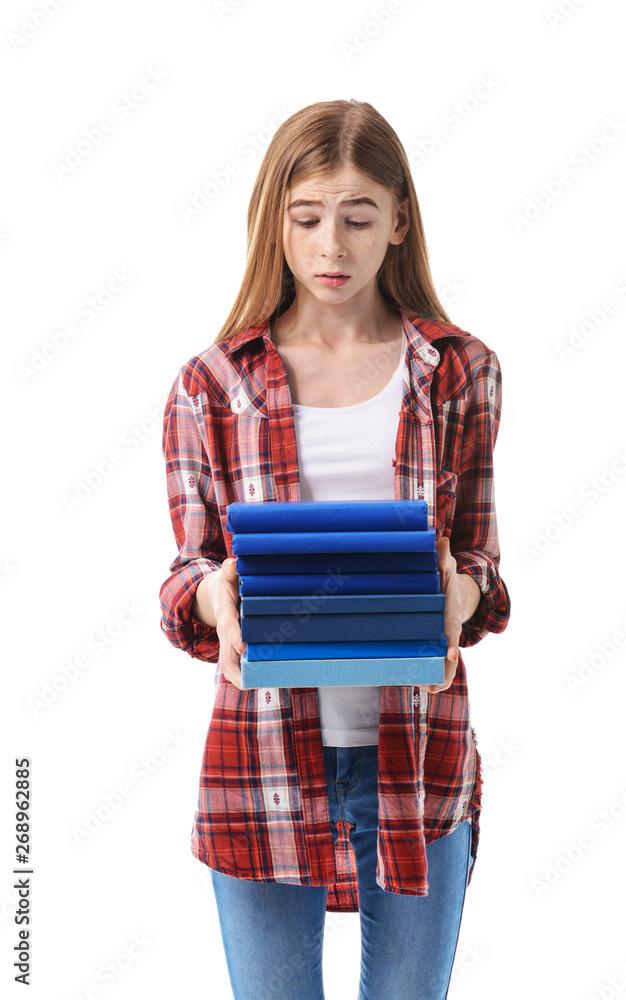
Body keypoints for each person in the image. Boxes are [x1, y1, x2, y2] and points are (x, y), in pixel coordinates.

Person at [159, 98, 511, 1000]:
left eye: (358, 218)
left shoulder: (459, 371)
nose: (332, 247)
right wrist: (213, 597)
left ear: (399, 220)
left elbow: (480, 563)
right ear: (274, 222)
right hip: (260, 758)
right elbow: (188, 572)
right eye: (308, 218)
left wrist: (460, 595)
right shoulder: (214, 384)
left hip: (420, 754)